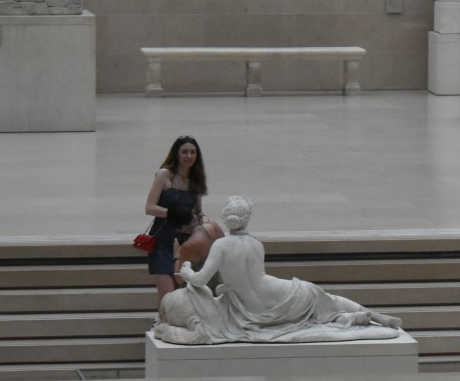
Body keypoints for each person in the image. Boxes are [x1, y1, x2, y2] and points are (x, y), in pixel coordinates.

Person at [156, 196, 405, 345]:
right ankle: (365, 314)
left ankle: (353, 318)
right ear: (247, 218)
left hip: (254, 309)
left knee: (318, 309)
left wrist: (186, 271)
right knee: (327, 299)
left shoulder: (221, 245)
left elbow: (200, 280)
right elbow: (254, 276)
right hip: (283, 292)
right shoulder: (255, 243)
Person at [145, 135, 209, 303]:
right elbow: (149, 207)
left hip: (184, 243)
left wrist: (202, 219)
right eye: (185, 152)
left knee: (181, 296)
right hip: (162, 241)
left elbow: (198, 211)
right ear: (177, 154)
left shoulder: (197, 179)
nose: (189, 156)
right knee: (168, 299)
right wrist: (175, 214)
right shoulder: (164, 175)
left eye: (193, 152)